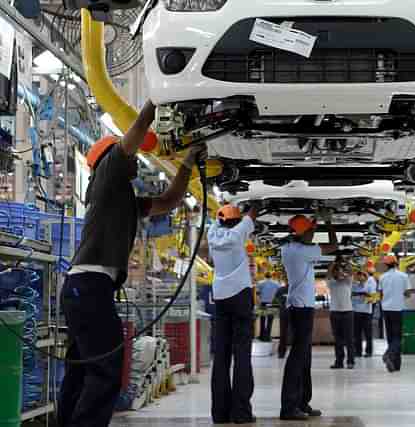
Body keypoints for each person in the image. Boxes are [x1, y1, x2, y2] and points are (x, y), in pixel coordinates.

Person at [57, 100, 206, 427]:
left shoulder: (120, 199)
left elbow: (168, 201)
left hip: (84, 289)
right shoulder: (107, 177)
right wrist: (154, 102)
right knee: (107, 369)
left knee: (82, 368)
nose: (136, 159)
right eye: (129, 156)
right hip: (90, 287)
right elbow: (131, 138)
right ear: (109, 160)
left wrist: (187, 165)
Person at [280, 213, 337, 421]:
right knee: (298, 358)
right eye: (311, 231)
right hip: (301, 308)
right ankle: (289, 407)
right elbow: (333, 245)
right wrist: (329, 222)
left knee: (304, 357)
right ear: (302, 234)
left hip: (299, 307)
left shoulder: (288, 249)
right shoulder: (303, 252)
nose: (314, 234)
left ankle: (302, 402)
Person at [208, 203, 258, 424]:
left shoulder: (212, 234)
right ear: (236, 221)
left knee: (221, 357)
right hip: (240, 296)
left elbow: (219, 221)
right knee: (242, 356)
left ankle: (220, 413)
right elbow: (251, 215)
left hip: (220, 298)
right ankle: (241, 413)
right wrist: (256, 204)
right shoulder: (238, 234)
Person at [378, 255, 409, 373]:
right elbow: (407, 293)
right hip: (398, 309)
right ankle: (389, 354)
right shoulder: (404, 276)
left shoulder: (382, 277)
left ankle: (395, 365)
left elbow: (381, 294)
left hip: (386, 309)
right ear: (396, 264)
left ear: (386, 265)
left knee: (390, 336)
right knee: (397, 337)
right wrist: (404, 294)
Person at [327, 255, 356, 369]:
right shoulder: (332, 283)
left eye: (341, 272)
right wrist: (334, 263)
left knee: (349, 339)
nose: (339, 273)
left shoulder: (347, 281)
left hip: (348, 312)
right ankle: (339, 362)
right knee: (337, 339)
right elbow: (328, 274)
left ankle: (350, 362)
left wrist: (346, 262)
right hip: (335, 313)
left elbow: (350, 272)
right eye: (337, 272)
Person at [352, 271, 375, 358]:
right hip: (356, 312)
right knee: (357, 334)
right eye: (358, 275)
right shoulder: (354, 286)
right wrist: (361, 294)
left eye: (362, 275)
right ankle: (358, 351)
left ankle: (369, 352)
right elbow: (351, 295)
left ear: (365, 277)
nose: (360, 277)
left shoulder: (369, 286)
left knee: (368, 333)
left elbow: (372, 297)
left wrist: (366, 295)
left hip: (366, 313)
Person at [257, 272, 281, 342]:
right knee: (270, 320)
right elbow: (279, 293)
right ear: (271, 276)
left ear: (264, 276)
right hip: (272, 303)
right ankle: (268, 336)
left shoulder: (260, 283)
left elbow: (258, 294)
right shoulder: (276, 284)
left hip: (263, 303)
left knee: (262, 320)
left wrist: (258, 303)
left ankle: (261, 336)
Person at [274, 279, 290, 358]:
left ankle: (282, 352)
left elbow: (276, 299)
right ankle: (281, 352)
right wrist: (281, 304)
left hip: (290, 313)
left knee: (284, 333)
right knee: (283, 333)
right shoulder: (281, 289)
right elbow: (276, 299)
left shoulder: (294, 289)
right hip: (284, 313)